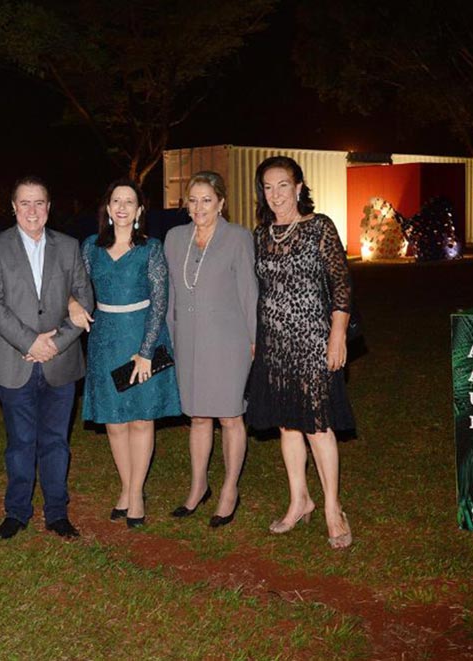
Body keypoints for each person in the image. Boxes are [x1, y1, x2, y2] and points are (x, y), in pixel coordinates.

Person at [245, 156, 355, 549]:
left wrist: (337, 334)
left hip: (313, 341)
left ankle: (332, 508)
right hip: (273, 343)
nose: (275, 194)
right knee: (287, 425)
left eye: (282, 185)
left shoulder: (319, 227)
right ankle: (299, 501)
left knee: (318, 426)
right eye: (267, 187)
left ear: (298, 186)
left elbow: (341, 284)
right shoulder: (261, 235)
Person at [0, 176, 94, 540]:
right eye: (24, 203)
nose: (32, 210)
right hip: (16, 362)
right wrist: (30, 342)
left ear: (49, 207)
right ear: (13, 207)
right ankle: (17, 512)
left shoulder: (69, 246)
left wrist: (55, 344)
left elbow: (84, 302)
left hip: (61, 363)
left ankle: (57, 513)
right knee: (20, 444)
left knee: (56, 442)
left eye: (39, 202)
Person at [71, 179, 181, 529]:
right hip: (105, 340)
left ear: (139, 211)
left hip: (142, 338)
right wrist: (72, 301)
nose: (121, 207)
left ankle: (135, 495)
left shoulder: (151, 248)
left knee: (141, 418)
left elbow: (160, 301)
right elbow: (77, 287)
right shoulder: (90, 247)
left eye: (129, 202)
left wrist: (146, 351)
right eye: (115, 200)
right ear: (107, 207)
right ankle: (126, 487)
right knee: (115, 423)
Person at [163, 171, 257, 527]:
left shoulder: (237, 237)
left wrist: (255, 339)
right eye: (193, 199)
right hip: (188, 342)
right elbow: (172, 292)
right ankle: (198, 485)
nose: (199, 207)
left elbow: (249, 292)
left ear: (221, 203)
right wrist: (170, 338)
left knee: (230, 416)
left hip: (230, 342)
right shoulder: (174, 239)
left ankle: (230, 489)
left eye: (206, 199)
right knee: (198, 417)